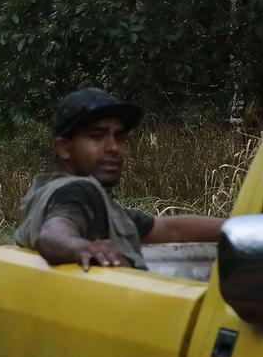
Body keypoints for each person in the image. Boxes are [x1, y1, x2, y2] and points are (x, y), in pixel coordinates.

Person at [15, 88, 226, 270]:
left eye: (119, 137)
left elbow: (170, 230)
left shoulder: (52, 193)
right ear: (64, 148)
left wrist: (242, 227)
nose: (113, 147)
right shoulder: (79, 192)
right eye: (97, 136)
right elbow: (53, 235)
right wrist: (82, 248)